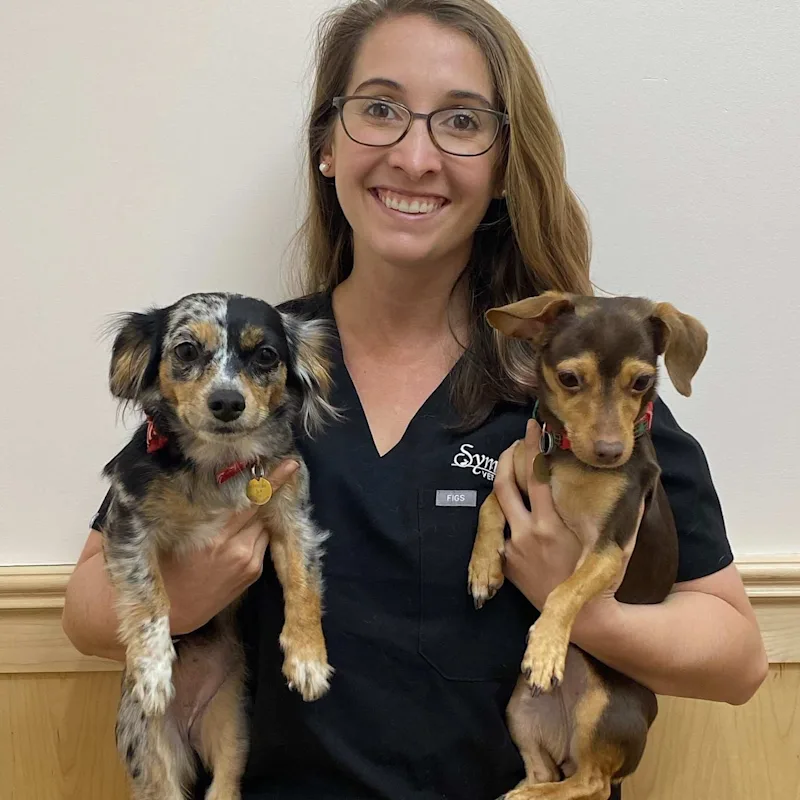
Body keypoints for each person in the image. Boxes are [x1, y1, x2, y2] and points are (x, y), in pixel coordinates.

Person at [62, 1, 768, 798]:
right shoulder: (255, 366)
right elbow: (85, 610)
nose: (415, 155)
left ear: (504, 165)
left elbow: (738, 658)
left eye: (461, 122)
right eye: (380, 110)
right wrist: (185, 595)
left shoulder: (574, 384)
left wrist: (574, 612)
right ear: (327, 146)